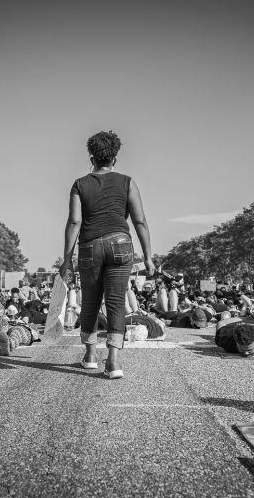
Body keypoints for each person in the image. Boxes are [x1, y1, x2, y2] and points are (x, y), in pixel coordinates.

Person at [59, 130, 156, 379]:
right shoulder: (127, 182)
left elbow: (74, 222)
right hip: (121, 244)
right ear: (115, 158)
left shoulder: (80, 184)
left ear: (91, 156)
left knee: (90, 301)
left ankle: (90, 356)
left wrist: (67, 260)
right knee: (115, 302)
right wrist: (147, 257)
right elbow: (140, 221)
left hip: (89, 246)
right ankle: (113, 362)